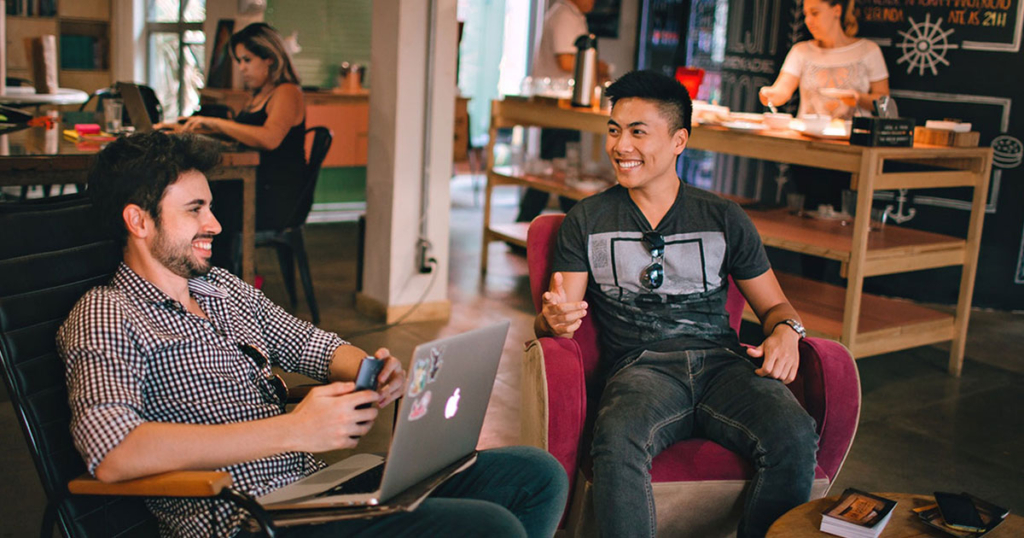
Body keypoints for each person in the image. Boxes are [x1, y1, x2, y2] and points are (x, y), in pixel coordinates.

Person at [58, 131, 568, 537]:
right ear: (139, 220)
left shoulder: (219, 289)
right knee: (490, 528)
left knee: (536, 475)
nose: (215, 224)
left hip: (315, 490)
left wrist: (371, 370)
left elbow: (309, 344)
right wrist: (294, 430)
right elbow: (113, 452)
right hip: (247, 519)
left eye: (210, 207)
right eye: (195, 210)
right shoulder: (107, 313)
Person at [535, 71, 818, 538]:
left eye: (638, 132)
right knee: (618, 439)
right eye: (614, 130)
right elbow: (557, 316)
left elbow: (776, 307)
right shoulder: (586, 220)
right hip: (640, 369)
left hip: (725, 366)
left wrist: (788, 331)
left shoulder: (723, 217)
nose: (619, 146)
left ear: (678, 141)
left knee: (793, 432)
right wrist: (550, 321)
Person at [158, 22, 307, 272]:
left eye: (247, 60)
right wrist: (192, 126)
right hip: (256, 185)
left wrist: (214, 122)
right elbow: (244, 133)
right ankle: (200, 277)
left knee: (204, 208)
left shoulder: (287, 92)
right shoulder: (259, 95)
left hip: (275, 196)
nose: (242, 68)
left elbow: (269, 138)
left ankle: (216, 281)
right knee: (197, 200)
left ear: (269, 58)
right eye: (239, 61)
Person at [516, 0, 608, 225]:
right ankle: (536, 227)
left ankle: (564, 226)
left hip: (566, 104)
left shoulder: (572, 15)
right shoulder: (564, 15)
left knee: (560, 167)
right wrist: (599, 66)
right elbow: (566, 60)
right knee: (558, 168)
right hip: (559, 105)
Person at [758, 0, 889, 120]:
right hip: (806, 137)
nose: (808, 20)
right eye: (806, 15)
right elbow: (782, 91)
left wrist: (858, 97)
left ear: (836, 10)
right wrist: (769, 94)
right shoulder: (800, 51)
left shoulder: (869, 50)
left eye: (815, 13)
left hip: (853, 139)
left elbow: (884, 101)